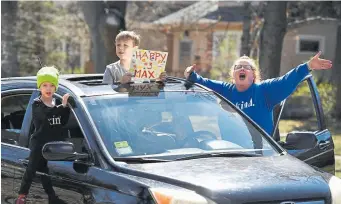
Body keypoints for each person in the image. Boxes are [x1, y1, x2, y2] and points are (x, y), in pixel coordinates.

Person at [184, 51, 332, 136]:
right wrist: (190, 74)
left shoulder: (264, 91)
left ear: (253, 75)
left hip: (261, 157)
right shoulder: (225, 90)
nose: (242, 69)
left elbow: (287, 80)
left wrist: (307, 66)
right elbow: (200, 82)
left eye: (246, 67)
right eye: (238, 67)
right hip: (229, 157)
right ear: (233, 74)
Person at [16, 66, 70, 204]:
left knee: (46, 173)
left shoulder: (56, 103)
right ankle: (22, 195)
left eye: (52, 85)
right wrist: (60, 108)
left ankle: (51, 196)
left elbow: (62, 121)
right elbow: (44, 117)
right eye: (45, 85)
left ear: (55, 87)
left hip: (53, 146)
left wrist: (64, 108)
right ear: (40, 87)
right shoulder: (37, 104)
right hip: (39, 144)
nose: (48, 88)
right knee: (32, 168)